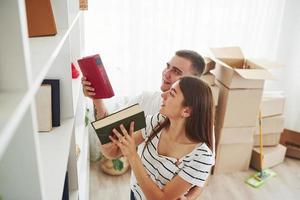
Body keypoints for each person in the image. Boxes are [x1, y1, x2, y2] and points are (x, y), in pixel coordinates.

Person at [102, 76, 215, 200]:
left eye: (172, 94)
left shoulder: (202, 157)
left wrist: (132, 156)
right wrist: (108, 144)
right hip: (135, 194)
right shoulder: (157, 121)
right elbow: (114, 153)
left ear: (186, 111)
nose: (163, 95)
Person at [81, 50, 205, 119]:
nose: (166, 73)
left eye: (176, 71)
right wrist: (96, 97)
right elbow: (108, 129)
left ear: (193, 83)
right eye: (168, 67)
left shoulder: (197, 125)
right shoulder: (146, 100)